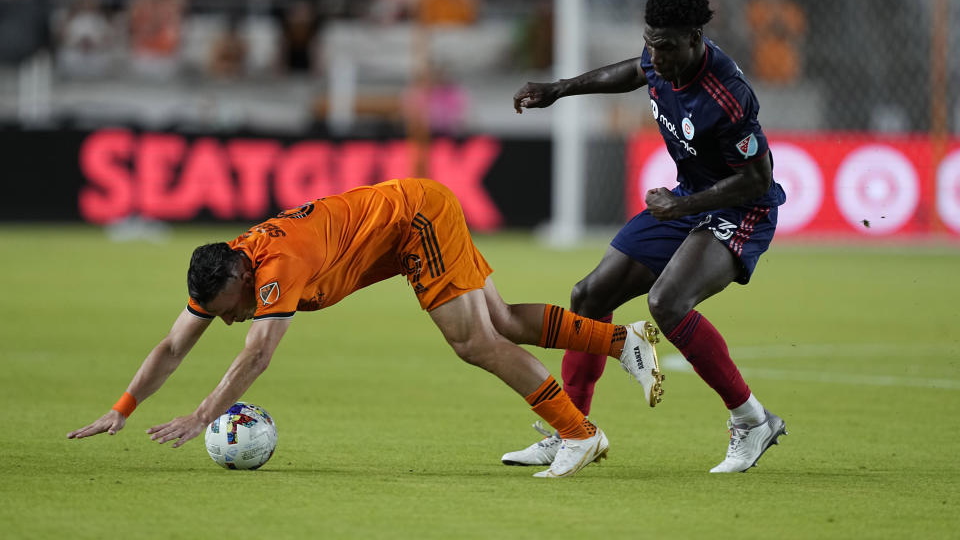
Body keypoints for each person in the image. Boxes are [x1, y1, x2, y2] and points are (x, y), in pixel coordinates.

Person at [67, 178, 663, 479]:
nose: (226, 317)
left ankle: (579, 433)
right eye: (219, 311)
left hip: (415, 220)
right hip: (404, 222)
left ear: (245, 275)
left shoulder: (276, 269)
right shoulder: (226, 269)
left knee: (475, 342)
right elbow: (174, 344)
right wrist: (124, 405)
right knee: (502, 321)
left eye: (230, 306)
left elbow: (255, 357)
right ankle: (621, 341)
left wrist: (200, 415)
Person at [508, 0, 788, 473]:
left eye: (666, 46)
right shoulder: (661, 57)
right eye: (650, 42)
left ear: (696, 38)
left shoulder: (728, 95)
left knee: (667, 303)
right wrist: (560, 89)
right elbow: (631, 72)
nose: (654, 55)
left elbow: (757, 179)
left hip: (740, 210)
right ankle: (572, 430)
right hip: (688, 199)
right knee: (589, 295)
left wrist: (686, 208)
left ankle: (752, 420)